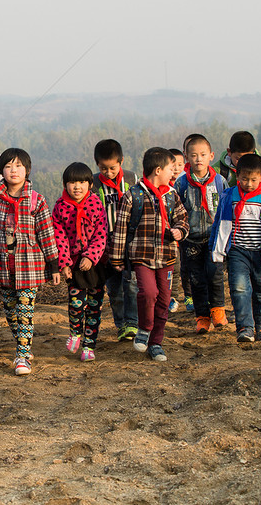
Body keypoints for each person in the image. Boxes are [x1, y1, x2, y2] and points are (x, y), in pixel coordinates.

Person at [0, 148, 60, 375]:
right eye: (8, 166)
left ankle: (23, 356)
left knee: (25, 312)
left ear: (27, 170)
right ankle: (22, 343)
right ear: (1, 171)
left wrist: (53, 264)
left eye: (18, 166)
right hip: (4, 268)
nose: (13, 170)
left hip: (29, 267)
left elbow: (46, 234)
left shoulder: (37, 200)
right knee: (11, 312)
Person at [109, 148, 189, 362]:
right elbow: (121, 229)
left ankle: (156, 342)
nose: (174, 173)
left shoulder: (172, 196)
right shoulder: (133, 195)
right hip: (142, 256)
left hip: (167, 256)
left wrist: (179, 231)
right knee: (148, 293)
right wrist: (117, 258)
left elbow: (183, 219)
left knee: (163, 300)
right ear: (158, 170)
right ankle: (144, 329)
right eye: (171, 169)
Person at [210, 153, 261, 343]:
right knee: (239, 289)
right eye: (244, 179)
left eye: (254, 179)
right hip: (237, 251)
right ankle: (245, 327)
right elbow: (218, 224)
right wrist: (215, 249)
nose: (249, 183)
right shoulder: (229, 196)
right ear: (237, 176)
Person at [53, 162, 109, 362]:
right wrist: (65, 263)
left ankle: (89, 346)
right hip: (74, 264)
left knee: (94, 306)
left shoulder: (95, 204)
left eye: (82, 182)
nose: (77, 186)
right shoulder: (60, 207)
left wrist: (91, 256)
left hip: (95, 264)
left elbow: (101, 234)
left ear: (90, 184)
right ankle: (75, 332)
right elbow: (59, 237)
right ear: (65, 184)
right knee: (76, 303)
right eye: (72, 182)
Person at [174, 135, 229, 334]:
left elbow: (228, 208)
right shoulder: (181, 184)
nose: (199, 159)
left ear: (211, 156)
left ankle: (218, 311)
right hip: (191, 240)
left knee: (215, 275)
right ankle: (202, 317)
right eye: (194, 155)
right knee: (196, 279)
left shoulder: (220, 182)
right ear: (186, 158)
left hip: (215, 239)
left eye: (203, 155)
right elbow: (175, 210)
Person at [91, 139, 139, 341]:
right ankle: (120, 325)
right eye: (103, 168)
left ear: (121, 161)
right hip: (105, 246)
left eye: (112, 168)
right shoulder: (93, 183)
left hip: (129, 242)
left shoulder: (131, 179)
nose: (108, 172)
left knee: (132, 285)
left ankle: (132, 323)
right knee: (114, 289)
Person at [214, 130, 261, 223]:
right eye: (238, 158)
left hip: (257, 220)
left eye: (248, 157)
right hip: (229, 219)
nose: (243, 162)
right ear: (229, 152)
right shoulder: (218, 170)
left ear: (253, 152)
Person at [167, 148, 187, 312]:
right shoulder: (163, 187)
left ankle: (188, 296)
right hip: (167, 237)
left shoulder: (186, 184)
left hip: (184, 234)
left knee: (183, 269)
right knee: (172, 267)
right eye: (173, 165)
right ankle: (171, 297)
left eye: (180, 164)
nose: (176, 169)